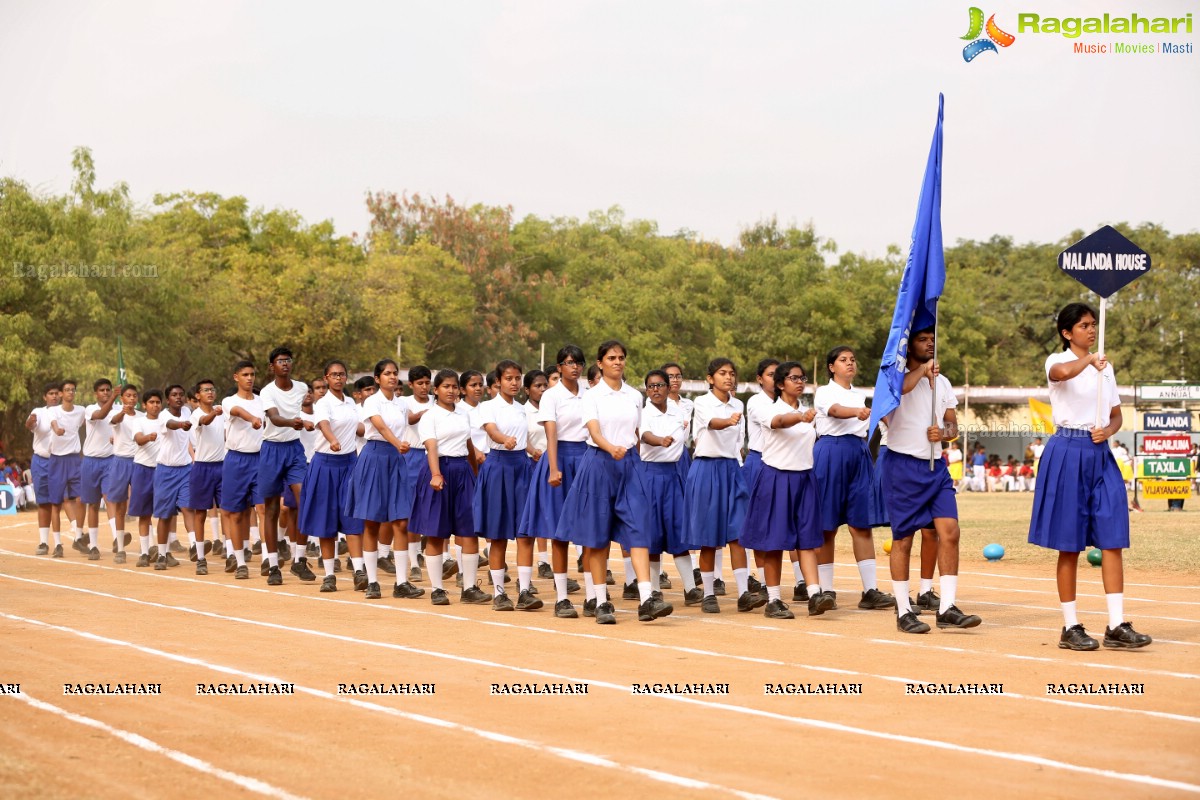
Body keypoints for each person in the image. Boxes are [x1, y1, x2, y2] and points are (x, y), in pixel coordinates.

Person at [1028, 303, 1151, 651]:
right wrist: (1091, 360)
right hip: (1066, 450)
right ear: (1068, 333)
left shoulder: (1105, 369)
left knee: (1113, 537)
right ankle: (1071, 626)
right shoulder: (1057, 360)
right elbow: (1062, 374)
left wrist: (1108, 430)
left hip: (1100, 453)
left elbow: (1116, 416)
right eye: (1084, 325)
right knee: (1069, 544)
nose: (1092, 329)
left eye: (1093, 324)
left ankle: (1116, 624)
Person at [556, 340, 673, 624]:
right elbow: (594, 431)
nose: (617, 362)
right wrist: (610, 448)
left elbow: (638, 430)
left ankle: (646, 599)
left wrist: (647, 445)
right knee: (597, 536)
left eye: (621, 357)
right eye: (611, 358)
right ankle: (601, 601)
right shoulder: (592, 396)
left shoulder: (634, 395)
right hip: (599, 463)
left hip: (630, 466)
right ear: (600, 363)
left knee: (640, 527)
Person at [878, 326, 982, 634]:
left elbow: (953, 427)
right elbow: (901, 391)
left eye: (933, 340)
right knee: (904, 539)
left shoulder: (944, 383)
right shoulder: (892, 378)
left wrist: (944, 433)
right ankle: (903, 610)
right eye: (923, 340)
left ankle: (947, 607)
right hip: (902, 466)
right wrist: (922, 371)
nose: (930, 344)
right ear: (909, 346)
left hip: (936, 467)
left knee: (949, 531)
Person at [739, 361, 833, 618]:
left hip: (804, 479)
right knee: (774, 542)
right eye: (794, 378)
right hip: (776, 479)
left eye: (802, 378)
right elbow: (780, 421)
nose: (800, 382)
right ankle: (774, 600)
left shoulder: (808, 413)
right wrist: (800, 417)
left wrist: (805, 416)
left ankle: (815, 594)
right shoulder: (768, 410)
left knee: (807, 540)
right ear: (780, 384)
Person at [813, 346, 895, 611]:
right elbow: (835, 411)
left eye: (852, 360)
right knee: (827, 525)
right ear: (831, 367)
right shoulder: (824, 392)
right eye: (842, 360)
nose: (849, 364)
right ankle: (826, 591)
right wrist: (857, 412)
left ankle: (869, 591)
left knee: (861, 524)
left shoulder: (861, 395)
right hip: (830, 452)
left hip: (859, 453)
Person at [520, 345, 589, 619]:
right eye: (568, 362)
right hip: (559, 456)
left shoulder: (591, 394)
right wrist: (553, 467)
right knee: (560, 533)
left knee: (591, 530)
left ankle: (595, 597)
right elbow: (551, 434)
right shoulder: (551, 396)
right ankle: (562, 598)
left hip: (587, 457)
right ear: (559, 367)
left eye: (578, 362)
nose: (574, 367)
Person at [684, 357, 757, 614]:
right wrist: (728, 420)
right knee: (708, 538)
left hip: (731, 470)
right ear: (710, 378)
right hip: (706, 469)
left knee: (738, 535)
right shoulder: (701, 402)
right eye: (722, 373)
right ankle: (709, 593)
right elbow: (713, 424)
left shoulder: (738, 404)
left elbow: (739, 443)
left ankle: (744, 593)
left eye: (731, 373)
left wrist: (739, 470)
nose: (729, 377)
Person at [408, 369, 480, 606]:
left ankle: (469, 588)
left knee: (468, 531)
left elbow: (467, 444)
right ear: (435, 390)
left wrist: (475, 473)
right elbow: (431, 447)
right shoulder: (431, 416)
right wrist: (436, 474)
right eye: (445, 386)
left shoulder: (463, 414)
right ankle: (437, 589)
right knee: (436, 533)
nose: (450, 391)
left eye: (454, 386)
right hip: (439, 470)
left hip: (462, 471)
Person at [345, 359, 415, 600]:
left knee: (401, 521)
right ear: (377, 378)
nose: (392, 377)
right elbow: (381, 428)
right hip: (375, 456)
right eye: (387, 373)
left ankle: (402, 582)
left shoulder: (402, 404)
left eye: (395, 373)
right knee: (372, 521)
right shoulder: (372, 401)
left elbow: (407, 424)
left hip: (395, 459)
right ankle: (372, 581)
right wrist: (398, 445)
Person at [474, 360, 541, 612]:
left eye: (517, 378)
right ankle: (499, 593)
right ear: (498, 381)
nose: (514, 383)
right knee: (498, 532)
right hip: (498, 466)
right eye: (509, 378)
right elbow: (492, 432)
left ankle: (524, 591)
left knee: (526, 532)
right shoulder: (488, 407)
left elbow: (523, 440)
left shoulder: (522, 409)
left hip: (521, 467)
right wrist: (504, 440)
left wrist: (535, 452)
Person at [301, 359, 365, 592]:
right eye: (333, 375)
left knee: (353, 519)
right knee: (325, 520)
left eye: (342, 374)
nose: (338, 378)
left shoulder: (351, 403)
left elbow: (361, 428)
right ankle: (329, 575)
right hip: (325, 464)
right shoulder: (323, 403)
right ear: (326, 378)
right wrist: (332, 439)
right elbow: (324, 424)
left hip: (349, 463)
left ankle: (359, 570)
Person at [639, 369, 700, 606]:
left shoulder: (679, 411)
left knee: (678, 530)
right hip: (651, 475)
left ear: (668, 387)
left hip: (673, 473)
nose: (655, 390)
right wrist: (659, 440)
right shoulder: (644, 413)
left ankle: (691, 588)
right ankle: (653, 590)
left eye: (660, 385)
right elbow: (644, 435)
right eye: (651, 386)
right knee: (652, 533)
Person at [259, 347, 312, 578]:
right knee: (270, 509)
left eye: (288, 360)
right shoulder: (267, 391)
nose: (285, 364)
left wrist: (308, 419)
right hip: (271, 449)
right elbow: (273, 417)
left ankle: (299, 558)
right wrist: (293, 422)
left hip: (294, 450)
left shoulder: (301, 388)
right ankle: (272, 564)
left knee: (305, 500)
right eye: (280, 361)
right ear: (272, 366)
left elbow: (308, 411)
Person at [220, 361, 264, 580]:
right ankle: (239, 561)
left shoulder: (263, 401)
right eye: (245, 374)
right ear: (236, 377)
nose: (250, 378)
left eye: (252, 374)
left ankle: (268, 559)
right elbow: (237, 411)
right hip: (236, 460)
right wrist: (252, 419)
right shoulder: (229, 401)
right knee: (236, 513)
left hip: (260, 458)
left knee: (263, 509)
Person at [151, 385, 194, 571]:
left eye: (181, 395)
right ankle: (162, 555)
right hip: (166, 471)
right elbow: (171, 425)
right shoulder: (164, 416)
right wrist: (181, 425)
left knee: (187, 507)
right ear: (168, 400)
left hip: (185, 469)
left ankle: (195, 547)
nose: (178, 397)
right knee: (165, 515)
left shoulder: (187, 410)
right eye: (174, 395)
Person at [187, 379, 225, 576]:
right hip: (202, 467)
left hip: (222, 466)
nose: (210, 392)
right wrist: (214, 413)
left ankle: (232, 553)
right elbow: (205, 421)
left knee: (227, 511)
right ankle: (201, 558)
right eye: (205, 390)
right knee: (200, 513)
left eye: (212, 389)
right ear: (198, 395)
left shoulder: (222, 412)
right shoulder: (197, 415)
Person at [80, 379, 117, 560]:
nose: (105, 392)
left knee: (109, 498)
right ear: (96, 393)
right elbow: (101, 415)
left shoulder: (117, 409)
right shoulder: (89, 409)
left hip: (110, 460)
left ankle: (117, 538)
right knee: (93, 504)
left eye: (108, 390)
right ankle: (94, 545)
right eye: (102, 390)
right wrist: (115, 398)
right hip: (90, 460)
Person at [102, 384, 140, 562]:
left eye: (134, 396)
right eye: (128, 396)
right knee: (119, 506)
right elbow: (114, 421)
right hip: (120, 461)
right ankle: (120, 548)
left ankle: (149, 547)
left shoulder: (142, 417)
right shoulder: (116, 415)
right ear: (122, 398)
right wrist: (123, 412)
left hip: (140, 462)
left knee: (143, 504)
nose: (131, 399)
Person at [129, 389, 166, 567]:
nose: (155, 405)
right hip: (143, 469)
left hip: (162, 469)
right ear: (144, 405)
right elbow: (138, 439)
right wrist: (147, 437)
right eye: (151, 402)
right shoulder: (139, 421)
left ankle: (163, 552)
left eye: (158, 402)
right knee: (144, 514)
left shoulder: (166, 421)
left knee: (164, 513)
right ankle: (144, 552)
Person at [49, 379, 86, 554]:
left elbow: (91, 423)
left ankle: (78, 536)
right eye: (67, 390)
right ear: (61, 394)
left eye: (73, 389)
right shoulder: (54, 411)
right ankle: (57, 544)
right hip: (57, 460)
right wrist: (57, 431)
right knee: (55, 504)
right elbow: (54, 425)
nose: (70, 392)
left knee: (81, 498)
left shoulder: (81, 411)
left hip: (75, 459)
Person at [523, 369, 553, 580]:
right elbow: (520, 437)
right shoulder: (523, 412)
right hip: (532, 464)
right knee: (537, 513)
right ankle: (542, 560)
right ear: (527, 390)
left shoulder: (552, 408)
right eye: (537, 386)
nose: (542, 390)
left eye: (545, 385)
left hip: (552, 463)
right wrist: (533, 451)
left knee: (551, 512)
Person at [25, 382, 60, 555]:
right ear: (44, 397)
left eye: (56, 393)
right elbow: (30, 425)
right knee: (44, 502)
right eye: (50, 393)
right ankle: (44, 542)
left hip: (62, 461)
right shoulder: (38, 412)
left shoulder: (66, 412)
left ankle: (76, 537)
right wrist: (31, 422)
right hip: (42, 461)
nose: (54, 396)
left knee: (67, 500)